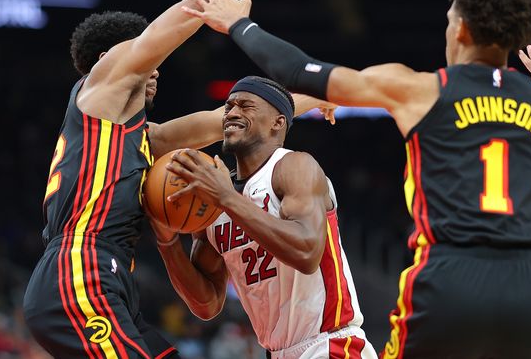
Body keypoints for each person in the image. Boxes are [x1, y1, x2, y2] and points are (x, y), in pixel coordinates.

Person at [178, 0, 531, 359]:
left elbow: (301, 72)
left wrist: (240, 24)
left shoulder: (420, 89)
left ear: (461, 29)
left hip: (450, 278)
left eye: (450, 17)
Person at [22, 0, 293, 359]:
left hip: (102, 281)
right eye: (147, 58)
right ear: (111, 58)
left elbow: (237, 116)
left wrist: (318, 95)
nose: (157, 70)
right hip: (80, 271)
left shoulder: (137, 138)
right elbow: (197, 2)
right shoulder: (103, 82)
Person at [150, 76, 377, 359]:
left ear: (278, 123)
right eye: (228, 107)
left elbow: (306, 252)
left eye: (246, 106)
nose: (232, 113)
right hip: (275, 352)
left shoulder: (293, 166)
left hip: (330, 345)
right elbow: (206, 305)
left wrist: (227, 198)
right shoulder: (214, 200)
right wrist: (167, 241)